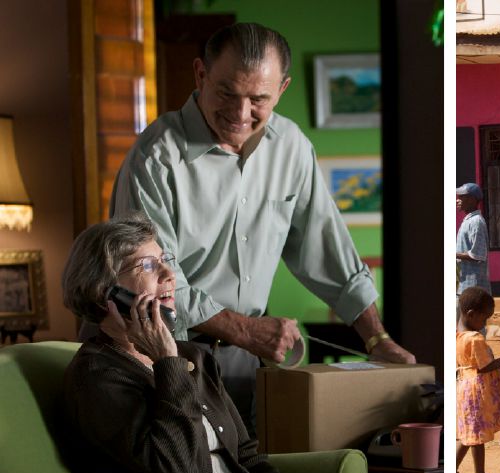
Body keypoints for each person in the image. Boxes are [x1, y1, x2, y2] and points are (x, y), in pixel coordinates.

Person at [108, 23, 414, 439]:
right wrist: (248, 330)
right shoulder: (155, 156)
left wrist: (377, 339)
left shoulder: (291, 146)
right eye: (227, 93)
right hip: (161, 356)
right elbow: (146, 282)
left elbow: (327, 248)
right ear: (201, 75)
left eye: (258, 99)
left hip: (244, 363)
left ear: (282, 89)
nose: (240, 114)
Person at [61, 213, 325, 473]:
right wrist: (166, 362)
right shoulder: (96, 376)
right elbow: (174, 469)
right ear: (107, 292)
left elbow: (246, 458)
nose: (169, 274)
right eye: (147, 265)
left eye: (165, 260)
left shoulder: (195, 357)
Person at [456, 286, 500, 473]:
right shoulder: (475, 338)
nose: (485, 324)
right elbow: (484, 367)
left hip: (465, 386)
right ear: (471, 314)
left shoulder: (457, 336)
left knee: (469, 436)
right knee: (478, 436)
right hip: (476, 390)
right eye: (484, 319)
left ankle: (452, 472)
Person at [456, 183, 491, 296]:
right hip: (464, 285)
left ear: (472, 199)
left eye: (462, 197)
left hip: (473, 287)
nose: (458, 200)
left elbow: (478, 255)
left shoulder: (476, 222)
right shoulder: (469, 220)